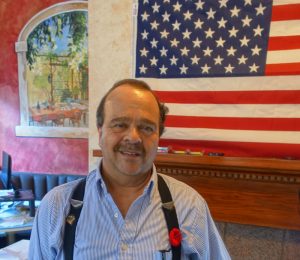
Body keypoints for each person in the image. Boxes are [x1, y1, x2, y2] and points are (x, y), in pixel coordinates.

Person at [29, 79, 231, 259]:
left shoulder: (189, 206)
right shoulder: (56, 207)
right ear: (100, 133)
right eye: (119, 125)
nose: (133, 137)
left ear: (158, 137)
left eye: (146, 127)